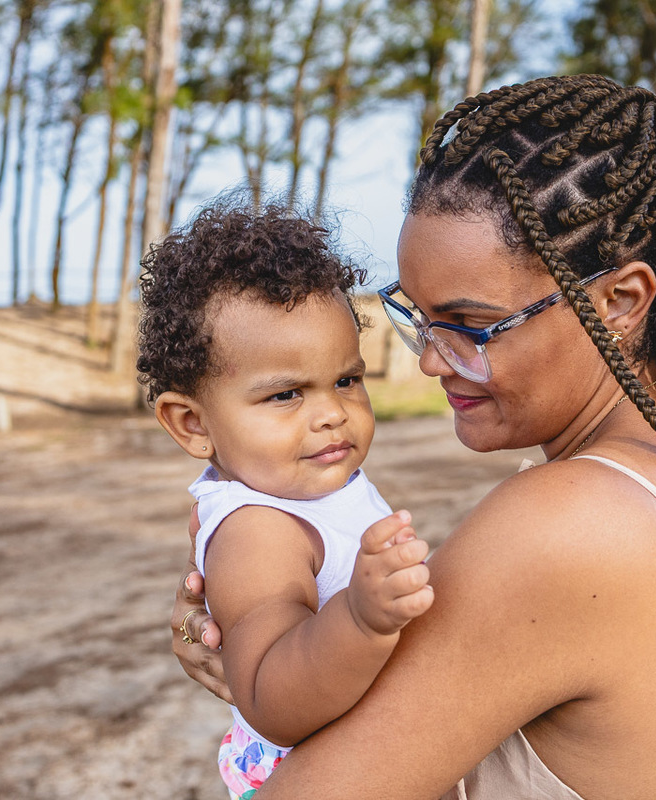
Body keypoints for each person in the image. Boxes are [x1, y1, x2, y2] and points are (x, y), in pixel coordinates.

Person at [170, 75, 656, 800]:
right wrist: (275, 646)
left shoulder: (568, 523)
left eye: (472, 326)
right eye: (418, 315)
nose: (429, 359)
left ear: (619, 302)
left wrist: (261, 680)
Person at [137, 202, 435, 799]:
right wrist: (359, 618)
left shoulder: (312, 488)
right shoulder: (257, 530)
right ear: (193, 423)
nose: (331, 414)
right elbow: (272, 696)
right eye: (284, 395)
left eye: (347, 380)